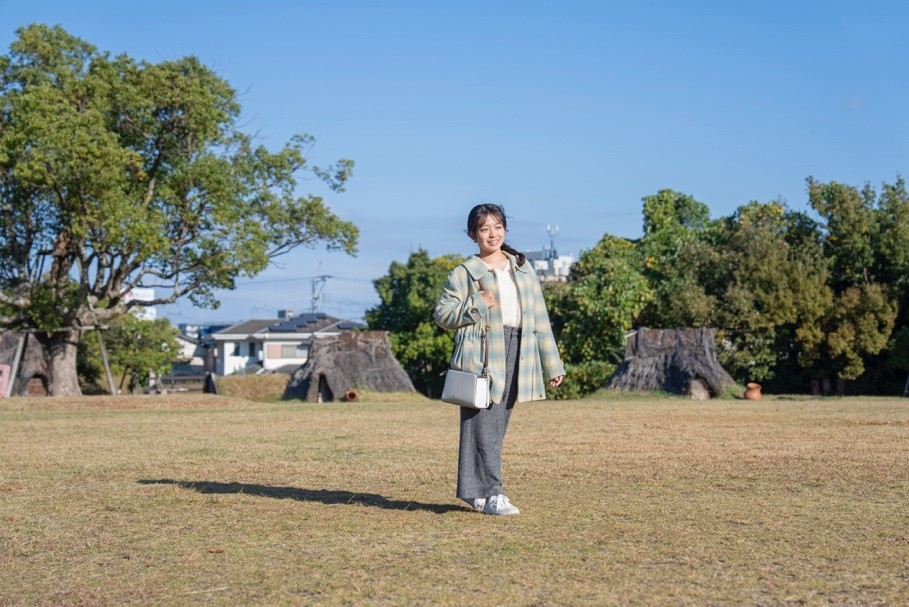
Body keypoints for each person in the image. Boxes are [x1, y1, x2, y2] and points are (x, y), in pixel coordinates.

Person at [435, 203, 565, 516]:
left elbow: (540, 318)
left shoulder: (522, 267)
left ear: (505, 229)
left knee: (491, 425)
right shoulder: (464, 273)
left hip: (520, 348)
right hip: (481, 355)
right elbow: (443, 316)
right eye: (484, 229)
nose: (492, 234)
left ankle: (472, 491)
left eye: (498, 227)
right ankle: (494, 493)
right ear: (472, 234)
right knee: (485, 424)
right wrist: (477, 303)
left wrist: (553, 364)